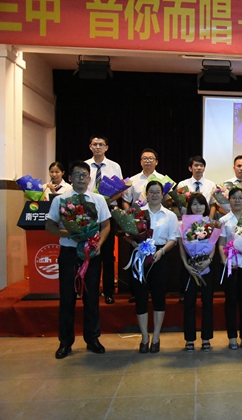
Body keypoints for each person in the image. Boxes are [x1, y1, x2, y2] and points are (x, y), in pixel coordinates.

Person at [45, 161, 111, 359]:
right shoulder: (61, 200)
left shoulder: (98, 200)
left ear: (89, 179)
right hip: (69, 253)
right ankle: (65, 342)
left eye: (84, 175)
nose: (81, 178)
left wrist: (98, 243)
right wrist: (70, 233)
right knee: (67, 298)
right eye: (77, 175)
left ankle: (92, 338)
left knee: (92, 298)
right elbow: (49, 226)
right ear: (70, 178)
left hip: (91, 254)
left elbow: (106, 226)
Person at [132, 180, 178, 353]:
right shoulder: (138, 213)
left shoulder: (170, 215)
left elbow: (173, 238)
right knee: (141, 296)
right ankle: (144, 337)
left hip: (160, 256)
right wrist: (135, 244)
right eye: (151, 192)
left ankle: (156, 336)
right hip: (140, 257)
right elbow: (130, 234)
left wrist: (161, 252)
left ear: (162, 194)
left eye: (157, 192)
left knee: (159, 296)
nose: (154, 195)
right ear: (146, 194)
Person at [85, 135, 123, 305]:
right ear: (90, 147)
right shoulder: (85, 166)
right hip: (88, 211)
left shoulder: (114, 166)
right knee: (89, 251)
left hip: (108, 209)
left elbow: (121, 190)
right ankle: (89, 289)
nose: (98, 147)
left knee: (107, 253)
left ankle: (108, 292)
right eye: (95, 144)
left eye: (101, 144)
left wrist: (106, 201)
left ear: (106, 147)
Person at [121, 148, 163, 303]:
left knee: (154, 254)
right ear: (140, 162)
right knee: (136, 255)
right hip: (138, 224)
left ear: (156, 162)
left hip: (157, 222)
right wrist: (130, 215)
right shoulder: (132, 180)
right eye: (145, 158)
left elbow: (168, 200)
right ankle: (136, 291)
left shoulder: (163, 180)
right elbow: (125, 200)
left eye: (151, 158)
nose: (148, 161)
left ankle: (154, 290)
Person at [218, 187, 242, 350]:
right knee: (231, 301)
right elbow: (221, 244)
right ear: (229, 200)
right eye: (234, 198)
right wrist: (225, 261)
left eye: (240, 197)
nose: (237, 200)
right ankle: (232, 336)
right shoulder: (223, 220)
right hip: (230, 265)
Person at [179, 194, 215, 352]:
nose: (198, 207)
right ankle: (189, 339)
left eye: (201, 204)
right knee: (189, 303)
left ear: (205, 206)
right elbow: (181, 246)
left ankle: (206, 338)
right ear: (190, 207)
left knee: (207, 303)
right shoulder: (183, 224)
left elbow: (213, 245)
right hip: (190, 268)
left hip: (206, 267)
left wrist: (209, 260)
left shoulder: (211, 223)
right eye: (194, 204)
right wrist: (186, 264)